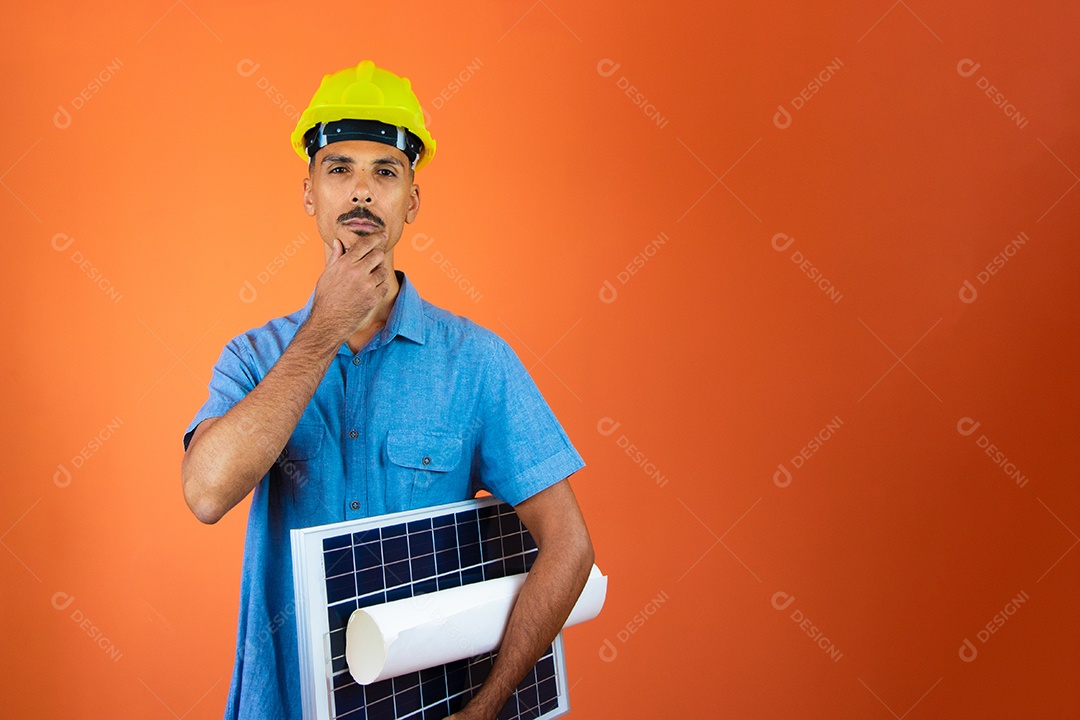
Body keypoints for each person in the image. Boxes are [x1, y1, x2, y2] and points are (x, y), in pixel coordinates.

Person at [180, 60, 595, 720]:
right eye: (339, 168)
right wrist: (324, 327)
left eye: (386, 171)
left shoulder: (478, 363)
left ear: (412, 199)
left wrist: (485, 710)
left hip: (424, 704)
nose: (362, 193)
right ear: (309, 193)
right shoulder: (253, 358)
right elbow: (205, 493)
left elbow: (570, 547)